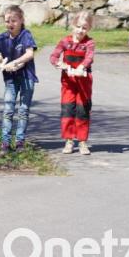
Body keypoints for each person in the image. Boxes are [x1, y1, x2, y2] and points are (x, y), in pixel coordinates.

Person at [0, 5, 38, 157]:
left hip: (27, 77)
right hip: (10, 79)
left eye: (14, 20)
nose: (10, 24)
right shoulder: (2, 37)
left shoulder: (26, 35)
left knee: (23, 111)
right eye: (7, 21)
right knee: (8, 110)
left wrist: (14, 62)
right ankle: (5, 144)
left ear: (21, 20)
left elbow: (29, 54)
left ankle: (20, 143)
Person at [49, 10, 96, 155]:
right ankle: (69, 140)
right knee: (68, 110)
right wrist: (60, 64)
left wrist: (81, 67)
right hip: (68, 82)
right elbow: (53, 56)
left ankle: (82, 141)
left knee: (82, 111)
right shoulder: (65, 41)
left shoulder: (89, 42)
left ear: (88, 29)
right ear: (73, 25)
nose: (81, 31)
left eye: (84, 28)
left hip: (83, 82)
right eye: (78, 27)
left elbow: (89, 58)